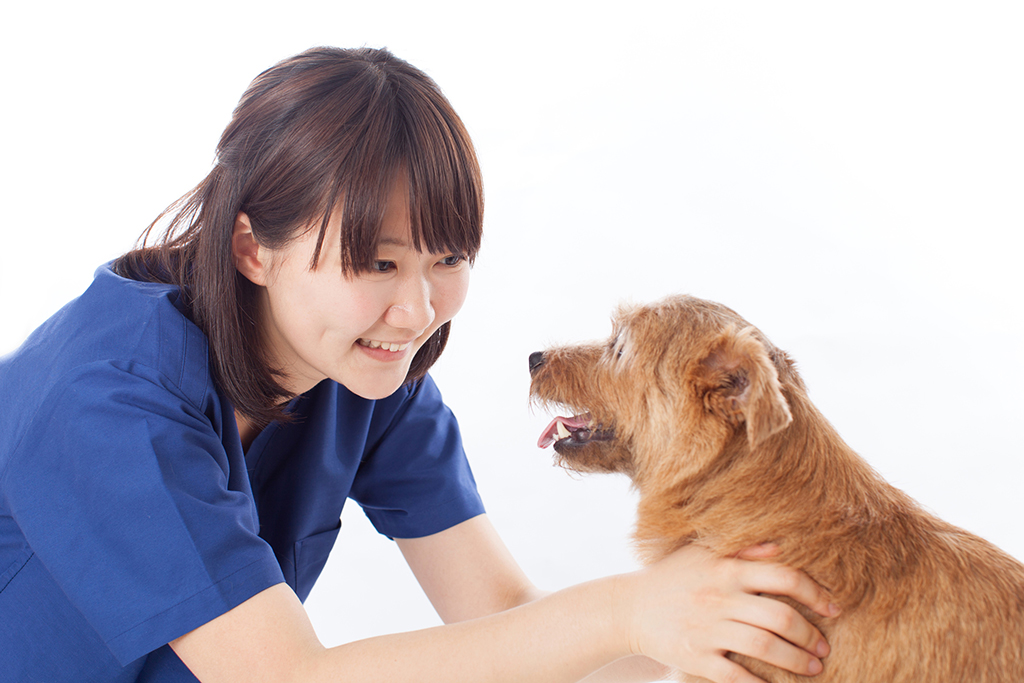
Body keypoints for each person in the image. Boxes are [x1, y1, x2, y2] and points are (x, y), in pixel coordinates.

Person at [0, 46, 835, 683]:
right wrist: (628, 609)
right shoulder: (109, 400)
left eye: (446, 258)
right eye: (378, 264)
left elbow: (508, 619)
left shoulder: (366, 374)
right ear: (253, 247)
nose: (420, 310)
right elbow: (286, 676)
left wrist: (715, 620)